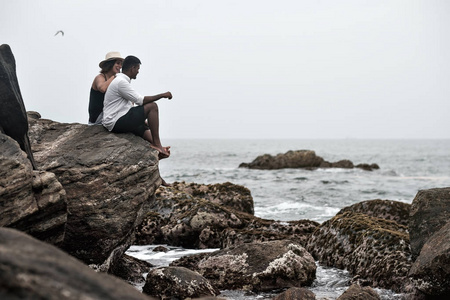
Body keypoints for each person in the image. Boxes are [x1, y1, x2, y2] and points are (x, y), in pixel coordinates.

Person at [103, 55, 172, 159]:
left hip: (116, 120)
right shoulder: (121, 82)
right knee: (152, 107)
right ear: (133, 68)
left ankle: (159, 149)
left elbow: (127, 107)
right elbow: (141, 101)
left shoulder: (120, 80)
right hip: (115, 121)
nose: (138, 72)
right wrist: (162, 95)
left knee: (142, 126)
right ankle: (157, 145)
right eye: (138, 69)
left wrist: (141, 119)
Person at [88, 51, 124, 125]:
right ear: (110, 64)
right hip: (98, 117)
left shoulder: (115, 80)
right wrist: (114, 76)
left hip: (108, 114)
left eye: (121, 64)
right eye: (117, 63)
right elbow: (102, 88)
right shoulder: (100, 77)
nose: (120, 66)